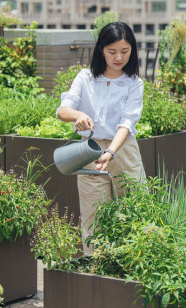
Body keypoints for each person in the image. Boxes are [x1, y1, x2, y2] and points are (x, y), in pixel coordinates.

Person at [56, 22, 146, 254]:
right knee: (93, 214)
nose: (119, 57)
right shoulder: (85, 78)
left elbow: (127, 123)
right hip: (89, 151)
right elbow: (62, 111)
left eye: (125, 51)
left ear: (132, 51)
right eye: (112, 51)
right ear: (101, 49)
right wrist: (78, 115)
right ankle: (95, 268)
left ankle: (134, 264)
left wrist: (110, 152)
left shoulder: (134, 83)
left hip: (123, 149)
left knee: (135, 209)